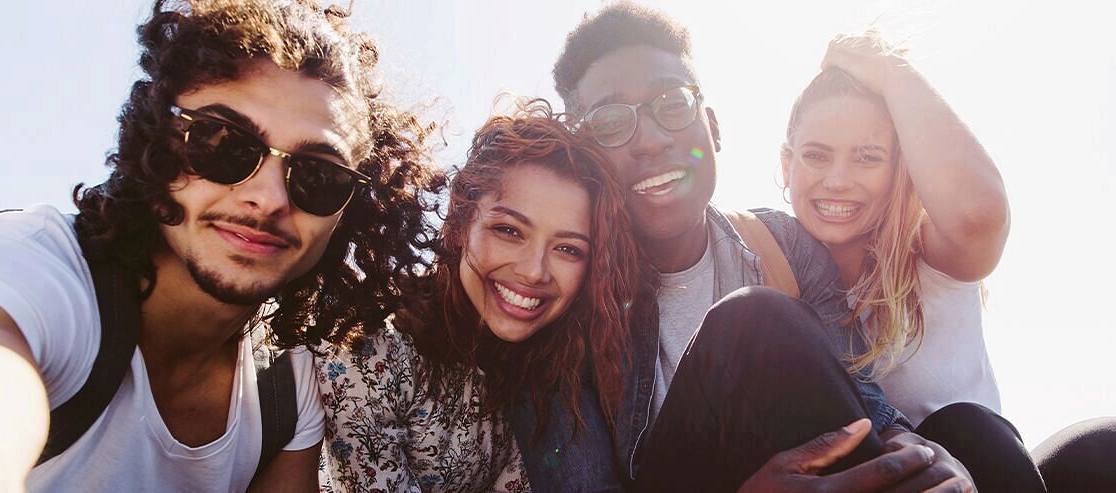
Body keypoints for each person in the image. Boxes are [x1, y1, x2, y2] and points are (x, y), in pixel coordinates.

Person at [0, 1, 444, 491]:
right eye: (222, 143)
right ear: (157, 143)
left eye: (318, 176)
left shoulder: (287, 387)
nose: (267, 197)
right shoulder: (26, 272)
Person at [511, 4, 974, 492]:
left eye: (671, 104)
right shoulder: (562, 302)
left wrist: (909, 446)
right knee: (752, 322)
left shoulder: (784, 243)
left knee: (973, 435)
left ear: (712, 128)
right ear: (583, 157)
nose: (648, 140)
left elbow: (857, 400)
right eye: (607, 123)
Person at [313, 101, 647, 492]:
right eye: (509, 230)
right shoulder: (366, 340)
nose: (534, 271)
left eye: (569, 249)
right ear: (461, 220)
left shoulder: (545, 368)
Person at [779, 33, 1045, 492]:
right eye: (817, 156)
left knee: (971, 428)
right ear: (787, 167)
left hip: (982, 471)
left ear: (899, 167)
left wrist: (891, 72)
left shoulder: (930, 257)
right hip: (861, 481)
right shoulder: (773, 262)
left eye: (868, 158)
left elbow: (978, 216)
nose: (838, 180)